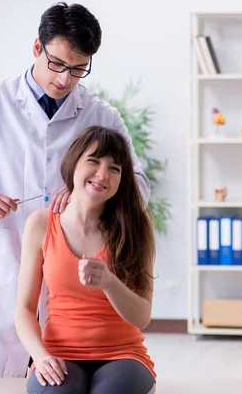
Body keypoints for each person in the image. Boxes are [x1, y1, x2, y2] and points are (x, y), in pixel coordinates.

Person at [0, 2, 150, 378]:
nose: (64, 79)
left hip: (71, 306)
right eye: (57, 64)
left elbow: (137, 186)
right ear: (37, 48)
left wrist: (83, 196)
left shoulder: (101, 116)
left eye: (78, 69)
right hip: (0, 284)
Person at [15, 126, 156, 394]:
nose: (103, 174)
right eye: (93, 161)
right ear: (73, 163)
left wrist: (109, 282)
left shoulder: (137, 226)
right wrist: (41, 356)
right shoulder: (41, 224)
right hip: (58, 352)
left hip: (123, 354)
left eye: (114, 168)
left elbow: (141, 317)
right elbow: (24, 309)